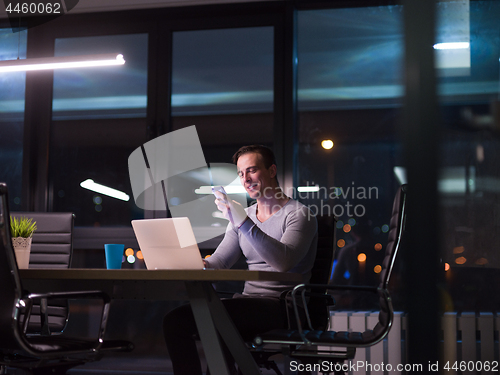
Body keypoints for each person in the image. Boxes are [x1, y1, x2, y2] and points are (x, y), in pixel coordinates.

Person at [163, 145, 318, 375]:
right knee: (175, 321)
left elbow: (283, 262)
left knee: (219, 320)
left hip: (283, 308)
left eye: (252, 170)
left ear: (272, 170)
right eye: (241, 173)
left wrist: (243, 222)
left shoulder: (299, 214)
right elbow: (219, 262)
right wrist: (194, 262)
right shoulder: (242, 216)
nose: (246, 179)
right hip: (248, 302)